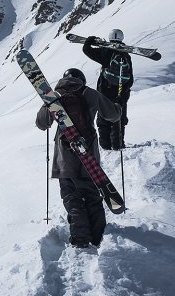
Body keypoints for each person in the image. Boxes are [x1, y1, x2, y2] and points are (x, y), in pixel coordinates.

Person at [36, 68, 122, 248]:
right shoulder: (89, 93)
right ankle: (99, 237)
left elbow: (41, 123)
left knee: (72, 198)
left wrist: (48, 104)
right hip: (88, 156)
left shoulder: (54, 95)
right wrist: (118, 107)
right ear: (81, 80)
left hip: (64, 158)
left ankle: (80, 238)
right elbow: (113, 115)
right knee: (92, 195)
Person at [83, 29, 134, 150]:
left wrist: (89, 41)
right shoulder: (126, 55)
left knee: (103, 118)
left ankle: (105, 146)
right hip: (121, 93)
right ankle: (118, 145)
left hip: (105, 91)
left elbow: (87, 50)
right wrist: (124, 93)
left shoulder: (105, 51)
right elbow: (130, 79)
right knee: (119, 118)